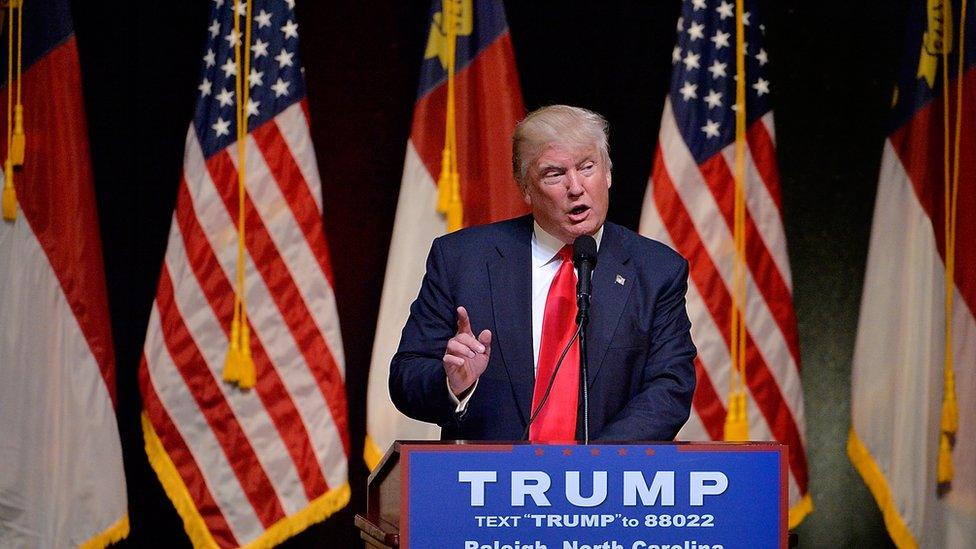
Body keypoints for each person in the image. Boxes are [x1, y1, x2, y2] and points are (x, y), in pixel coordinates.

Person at [389, 105, 696, 442]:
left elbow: (669, 388)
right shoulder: (463, 260)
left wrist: (591, 467)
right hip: (488, 486)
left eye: (587, 167)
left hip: (606, 485)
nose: (576, 187)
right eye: (554, 173)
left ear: (608, 173)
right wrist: (453, 382)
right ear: (526, 188)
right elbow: (406, 376)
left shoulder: (656, 271)